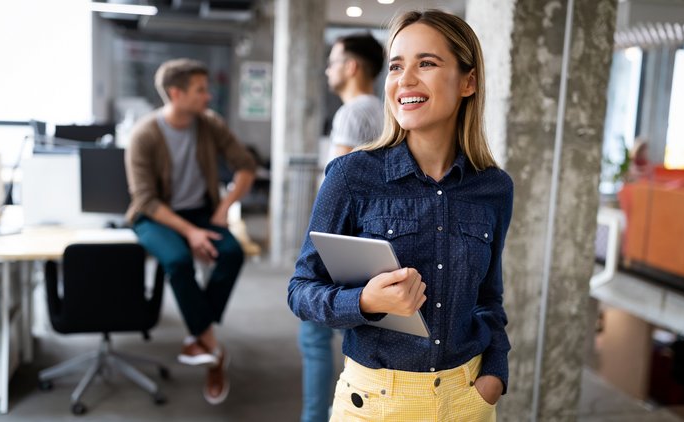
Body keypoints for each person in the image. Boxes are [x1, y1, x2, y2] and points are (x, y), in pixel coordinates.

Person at [288, 9, 512, 421]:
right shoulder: (352, 175)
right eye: (396, 66)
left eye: (426, 63)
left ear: (469, 81)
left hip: (468, 399)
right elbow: (300, 290)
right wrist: (365, 301)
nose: (405, 79)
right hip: (375, 402)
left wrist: (495, 374)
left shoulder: (493, 187)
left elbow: (489, 298)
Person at [125, 58, 257, 405]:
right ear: (175, 93)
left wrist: (223, 208)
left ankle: (199, 334)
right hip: (154, 216)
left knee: (232, 252)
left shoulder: (209, 124)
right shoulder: (143, 134)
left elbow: (246, 166)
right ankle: (212, 348)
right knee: (178, 260)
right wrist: (190, 233)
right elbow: (146, 200)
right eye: (200, 90)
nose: (208, 96)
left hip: (202, 211)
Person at [298, 32, 385, 422]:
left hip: (344, 245)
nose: (328, 70)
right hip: (372, 239)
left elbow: (332, 193)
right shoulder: (382, 110)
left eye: (333, 62)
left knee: (315, 331)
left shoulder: (352, 112)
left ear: (351, 67)